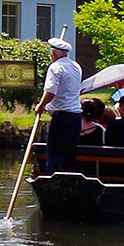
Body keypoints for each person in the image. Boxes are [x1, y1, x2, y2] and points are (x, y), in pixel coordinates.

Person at [35, 37, 82, 174]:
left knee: (55, 155)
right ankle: (68, 183)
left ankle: (54, 183)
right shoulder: (76, 66)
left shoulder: (55, 67)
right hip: (75, 117)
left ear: (53, 54)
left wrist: (40, 105)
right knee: (68, 155)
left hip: (61, 117)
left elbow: (50, 92)